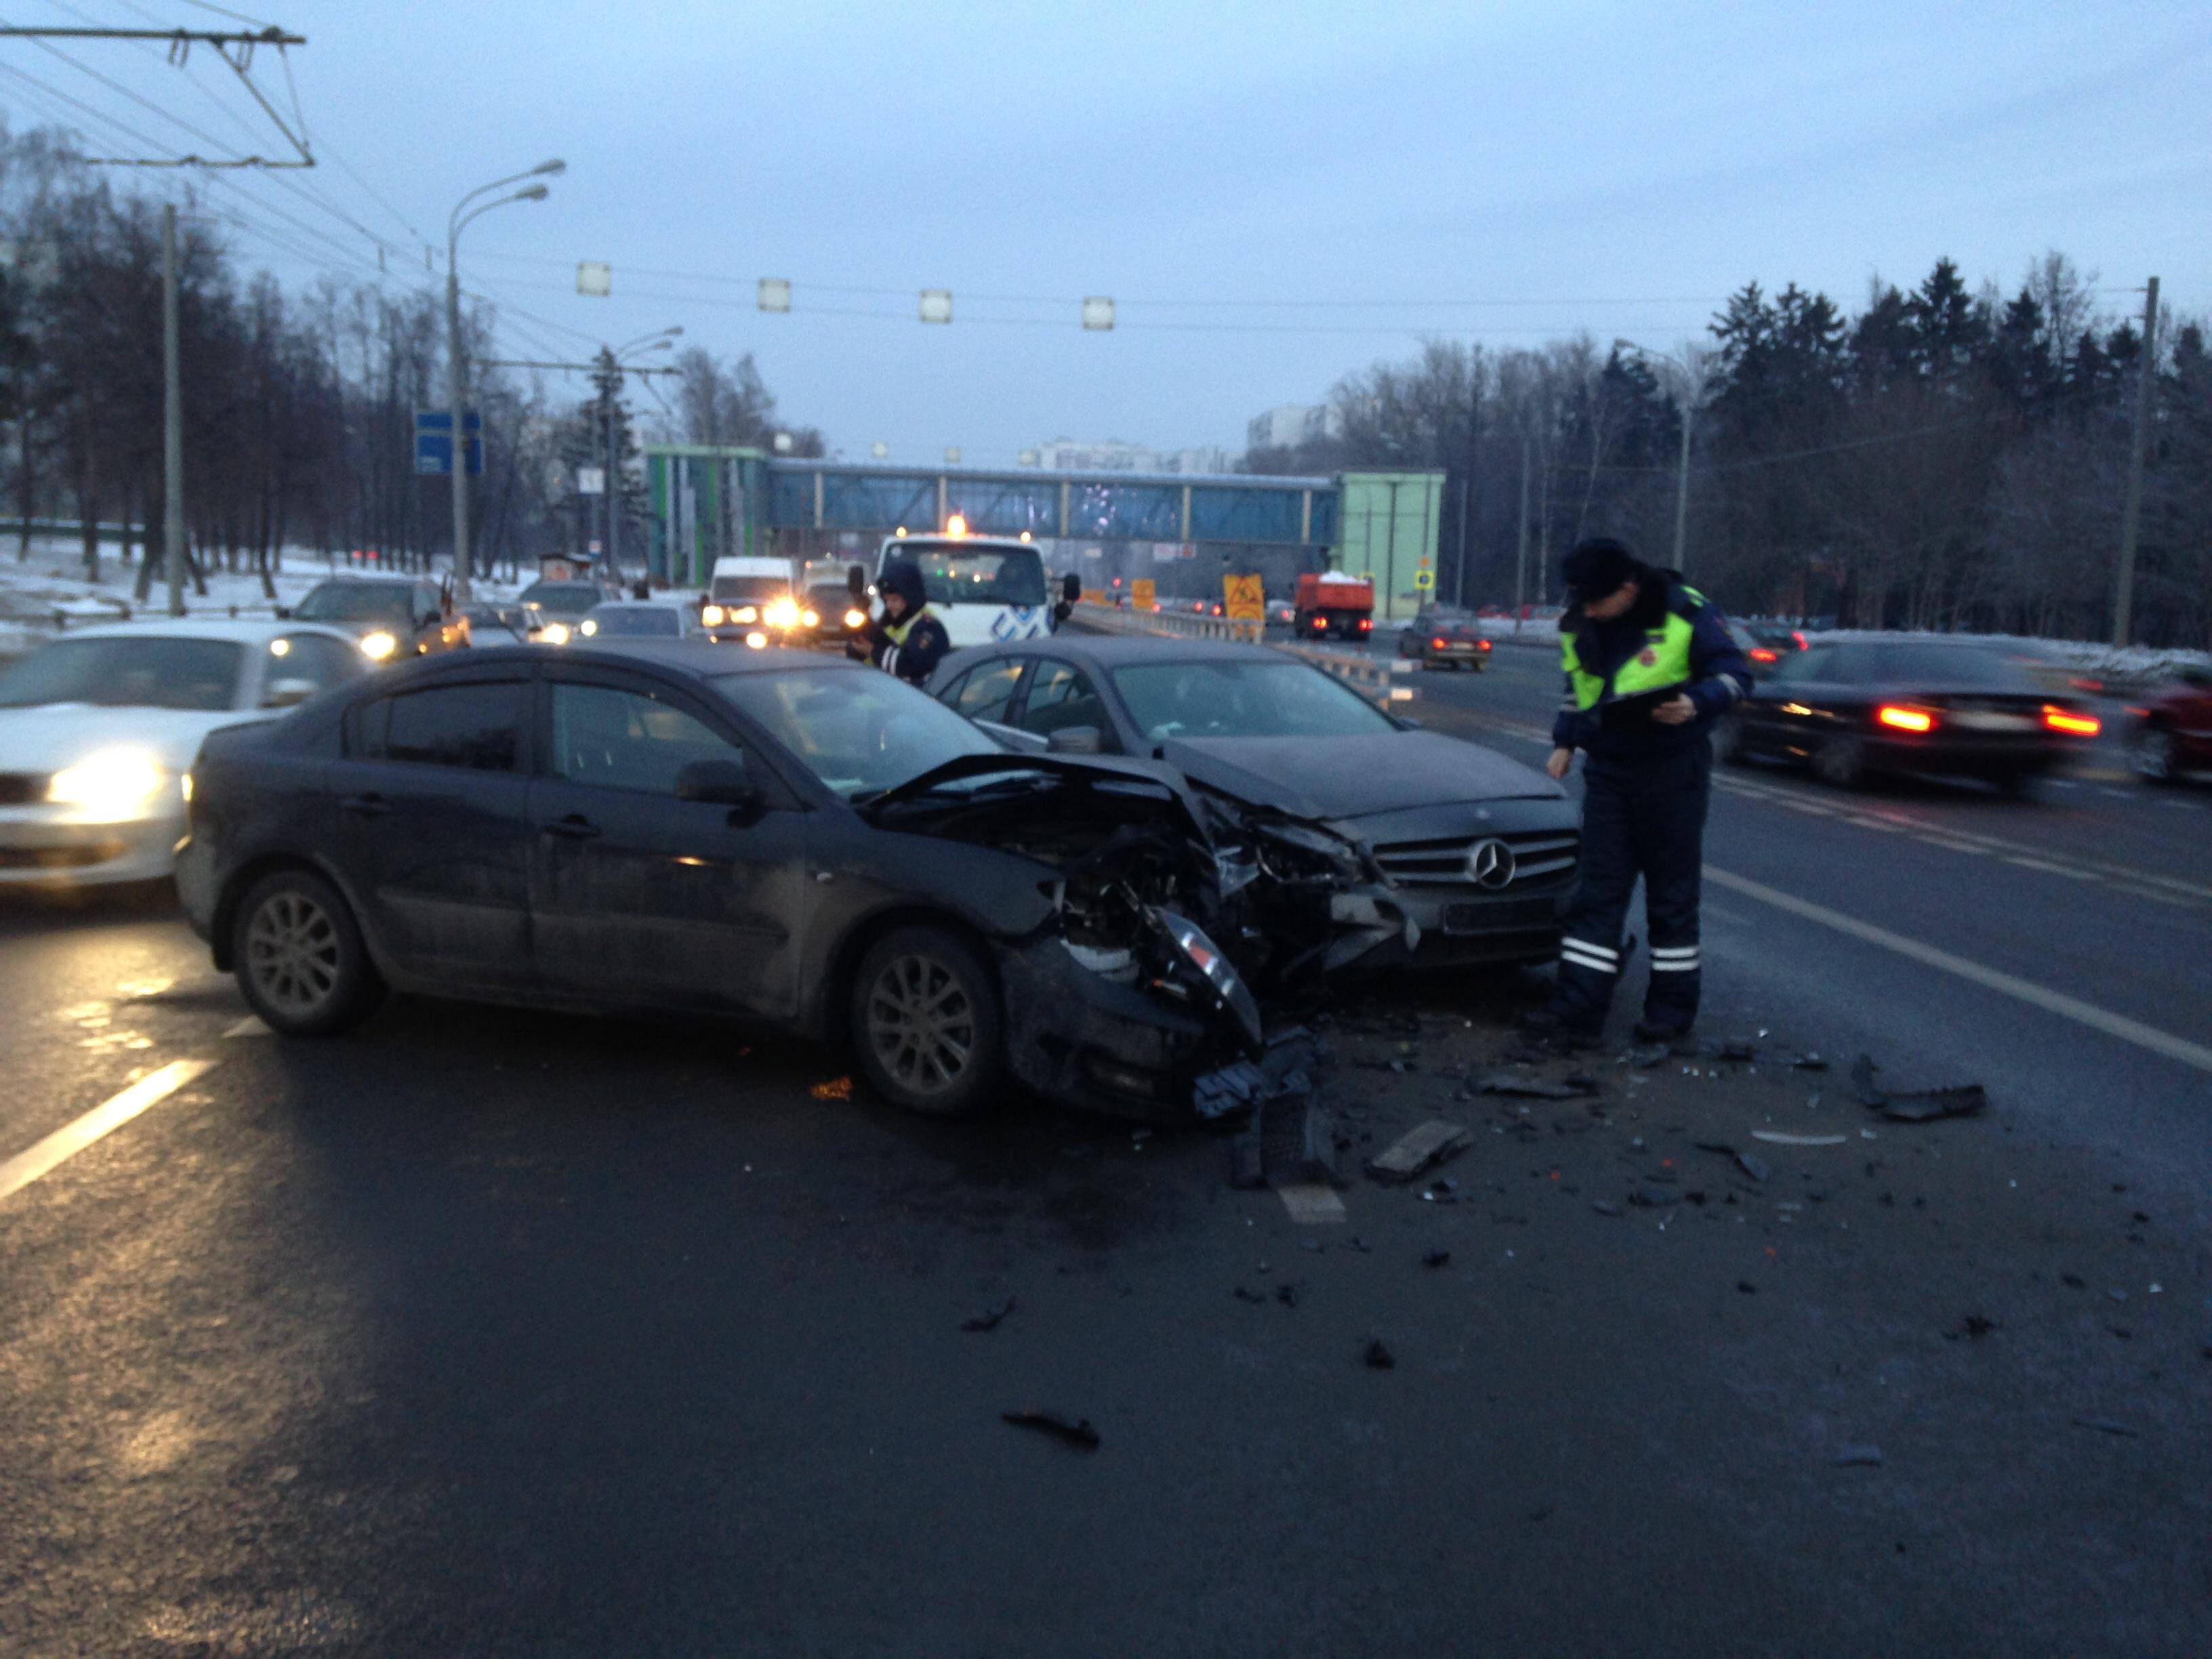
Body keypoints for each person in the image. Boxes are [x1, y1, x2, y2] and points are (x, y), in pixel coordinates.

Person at [1520, 536, 1753, 1048]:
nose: (1588, 610)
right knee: (1597, 894)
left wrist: (1695, 703)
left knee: (1671, 897)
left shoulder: (1685, 612)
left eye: (1598, 600)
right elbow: (1578, 685)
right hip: (1609, 769)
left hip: (1672, 769)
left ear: (1628, 587)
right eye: (1582, 600)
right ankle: (1576, 1011)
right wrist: (1565, 741)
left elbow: (1737, 676)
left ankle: (1669, 1014)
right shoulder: (1584, 615)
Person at [847, 559, 951, 687]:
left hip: (908, 703)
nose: (889, 606)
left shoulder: (929, 628)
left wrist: (873, 651)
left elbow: (913, 665)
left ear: (911, 598)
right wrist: (856, 646)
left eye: (895, 600)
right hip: (877, 698)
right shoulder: (888, 624)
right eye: (886, 600)